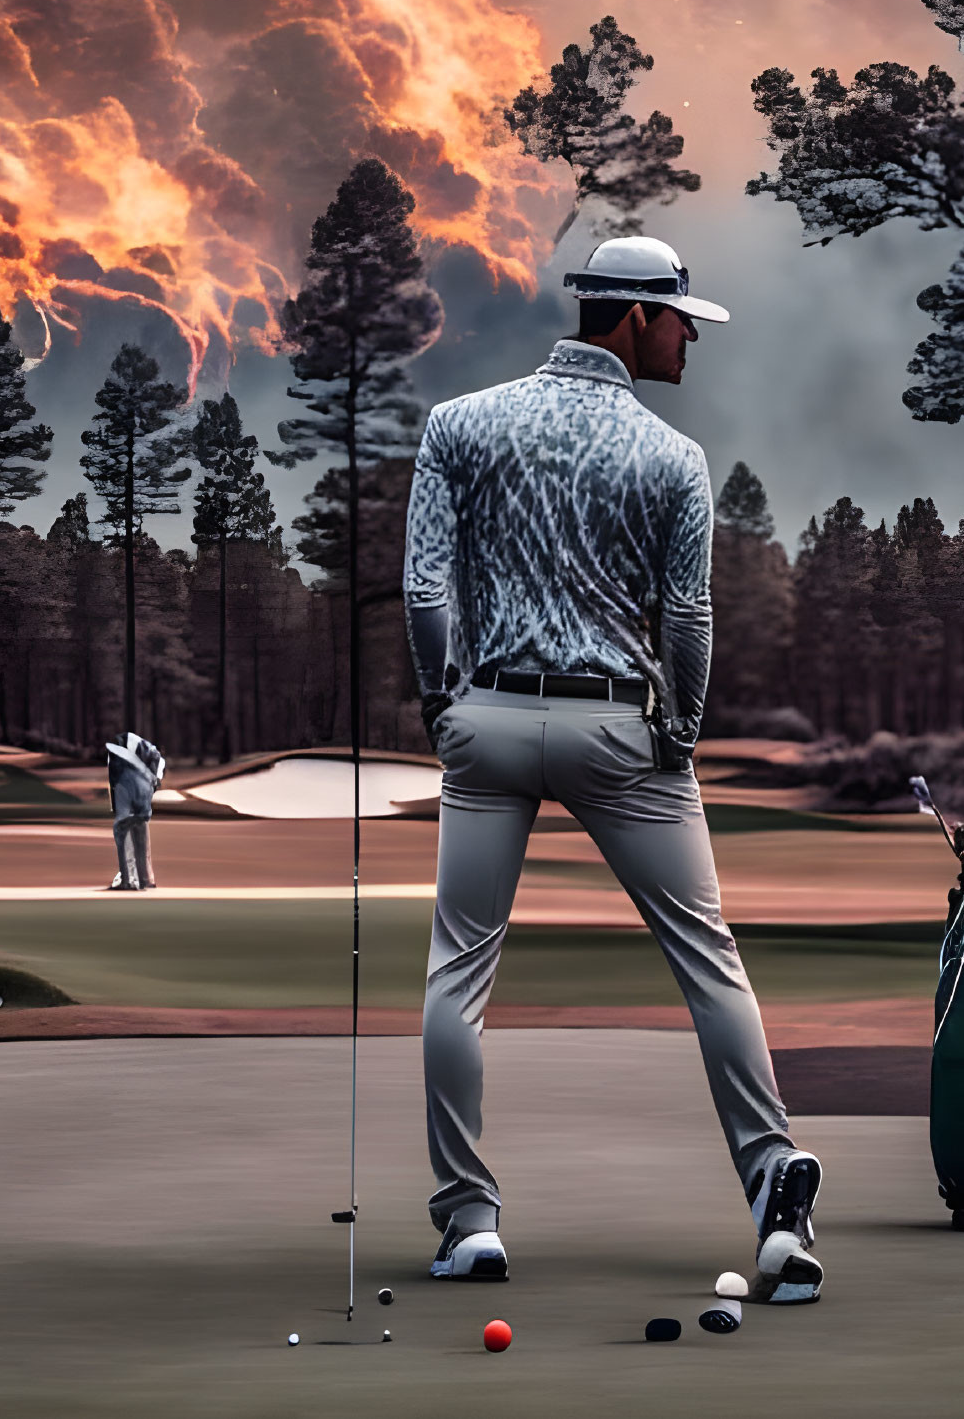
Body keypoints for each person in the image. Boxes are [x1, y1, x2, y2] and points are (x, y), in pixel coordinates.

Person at [402, 234, 823, 1303]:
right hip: (617, 728)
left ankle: (469, 1223)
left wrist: (440, 699)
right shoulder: (671, 458)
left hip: (485, 718)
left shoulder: (457, 426)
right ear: (632, 316)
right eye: (683, 320)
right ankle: (774, 1193)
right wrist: (679, 731)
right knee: (707, 962)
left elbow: (422, 594)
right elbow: (686, 619)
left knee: (459, 971)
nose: (691, 339)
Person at [104, 732, 163, 891]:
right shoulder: (136, 744)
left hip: (126, 786)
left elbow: (114, 781)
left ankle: (130, 879)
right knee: (140, 827)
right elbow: (156, 757)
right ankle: (146, 878)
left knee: (123, 830)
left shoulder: (119, 748)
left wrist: (116, 808)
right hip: (142, 788)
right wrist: (153, 783)